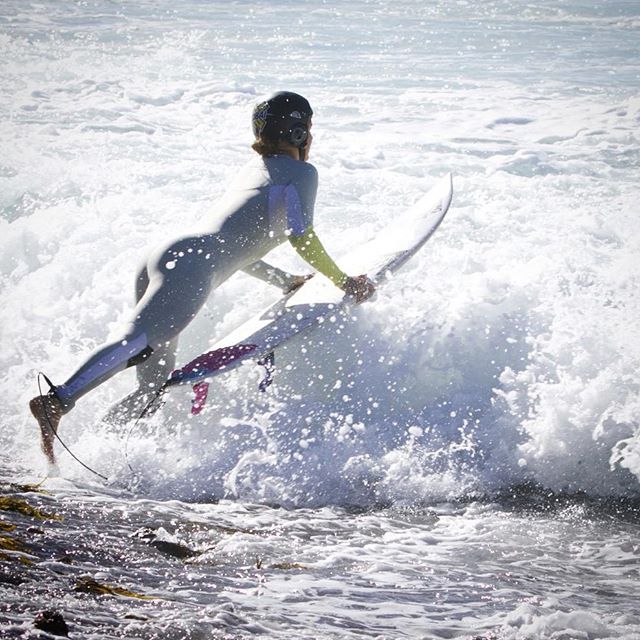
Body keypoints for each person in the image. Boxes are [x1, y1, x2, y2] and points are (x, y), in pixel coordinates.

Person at [29, 91, 375, 465]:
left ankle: (96, 452)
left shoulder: (255, 171)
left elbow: (236, 251)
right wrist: (343, 281)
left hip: (170, 254)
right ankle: (59, 399)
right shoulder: (302, 173)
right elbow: (301, 234)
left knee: (152, 387)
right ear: (298, 132)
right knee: (138, 342)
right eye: (308, 128)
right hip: (192, 266)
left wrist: (283, 280)